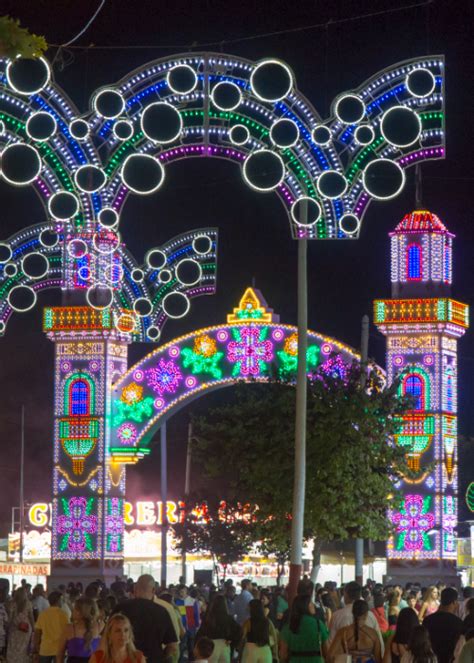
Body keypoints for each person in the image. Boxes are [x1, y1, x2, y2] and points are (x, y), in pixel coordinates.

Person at [113, 574, 178, 663]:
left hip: (124, 659)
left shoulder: (120, 608)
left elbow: (107, 636)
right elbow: (173, 646)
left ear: (135, 589)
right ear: (153, 590)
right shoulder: (162, 611)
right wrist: (160, 657)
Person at [329, 581, 384, 653]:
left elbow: (331, 643)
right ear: (360, 595)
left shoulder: (337, 616)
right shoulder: (370, 615)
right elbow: (380, 644)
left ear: (345, 594)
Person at [280, 594, 329, 663]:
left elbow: (283, 655)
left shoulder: (288, 627)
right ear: (306, 606)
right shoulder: (318, 624)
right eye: (311, 603)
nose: (313, 605)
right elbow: (327, 651)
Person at [196, 594, 242, 663]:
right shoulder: (228, 618)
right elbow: (239, 630)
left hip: (210, 645)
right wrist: (232, 640)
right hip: (224, 645)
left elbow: (201, 632)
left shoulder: (209, 617)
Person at [424, 587, 463, 663]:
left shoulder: (428, 620)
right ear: (454, 602)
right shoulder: (457, 622)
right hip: (449, 659)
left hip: (431, 659)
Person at [56, 596, 101, 663]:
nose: (72, 611)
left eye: (74, 609)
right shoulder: (100, 626)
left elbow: (60, 653)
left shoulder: (69, 629)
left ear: (80, 612)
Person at [33, 590, 69, 663]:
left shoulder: (43, 614)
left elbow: (37, 632)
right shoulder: (63, 614)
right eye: (62, 600)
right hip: (59, 649)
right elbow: (67, 631)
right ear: (58, 600)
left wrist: (36, 646)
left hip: (45, 649)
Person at [242, 599, 278, 663]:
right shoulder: (268, 622)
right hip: (265, 650)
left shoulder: (248, 622)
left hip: (250, 650)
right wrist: (275, 655)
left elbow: (242, 638)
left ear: (252, 609)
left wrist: (240, 654)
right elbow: (274, 638)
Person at [6, 587, 34, 663]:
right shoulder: (28, 603)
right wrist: (34, 629)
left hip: (15, 628)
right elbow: (31, 617)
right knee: (24, 648)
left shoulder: (12, 603)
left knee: (13, 647)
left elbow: (10, 617)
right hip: (26, 628)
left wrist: (8, 626)